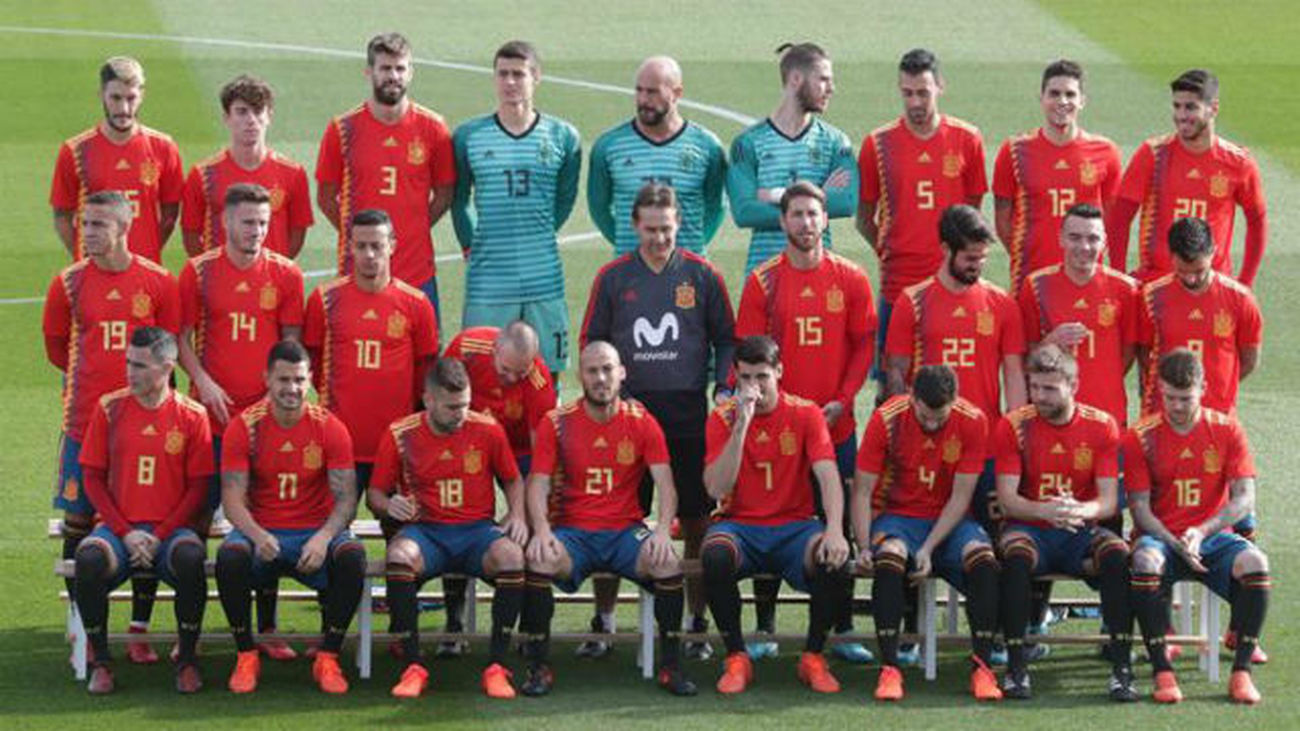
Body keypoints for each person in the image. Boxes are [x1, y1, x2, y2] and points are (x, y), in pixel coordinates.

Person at [581, 183, 736, 660]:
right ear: (634, 226)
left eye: (666, 229)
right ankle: (604, 621)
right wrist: (614, 396)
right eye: (650, 230)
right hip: (627, 418)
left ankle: (694, 621)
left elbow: (727, 338)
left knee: (695, 521)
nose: (659, 239)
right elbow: (592, 341)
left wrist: (723, 386)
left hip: (688, 418)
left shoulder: (702, 275)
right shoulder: (612, 278)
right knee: (614, 519)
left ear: (678, 224)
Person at [735, 181, 874, 662]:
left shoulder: (851, 278)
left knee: (841, 523)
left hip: (836, 426)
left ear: (825, 219)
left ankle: (843, 627)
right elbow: (749, 353)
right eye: (796, 214)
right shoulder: (764, 281)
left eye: (813, 214)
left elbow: (863, 345)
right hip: (778, 429)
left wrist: (844, 400)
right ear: (782, 221)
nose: (806, 222)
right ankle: (765, 626)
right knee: (770, 518)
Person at [42, 190, 181, 664]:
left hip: (145, 427)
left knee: (145, 521)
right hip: (83, 424)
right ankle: (82, 626)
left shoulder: (158, 282)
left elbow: (168, 351)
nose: (87, 232)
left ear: (124, 228)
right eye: (84, 223)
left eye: (98, 224)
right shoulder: (67, 284)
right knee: (78, 522)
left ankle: (139, 628)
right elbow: (57, 348)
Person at [518, 342, 696, 697]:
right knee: (538, 558)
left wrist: (663, 531)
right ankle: (538, 667)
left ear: (622, 373)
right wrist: (541, 530)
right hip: (572, 534)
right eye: (592, 371)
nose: (600, 378)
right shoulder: (557, 422)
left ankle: (671, 667)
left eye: (607, 369)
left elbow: (666, 485)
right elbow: (537, 484)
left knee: (668, 564)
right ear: (580, 376)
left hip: (624, 534)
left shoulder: (642, 421)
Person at [177, 183, 305, 655]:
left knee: (264, 520)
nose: (257, 230)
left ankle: (266, 629)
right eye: (249, 222)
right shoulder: (198, 272)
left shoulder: (286, 274)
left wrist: (276, 398)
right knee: (194, 521)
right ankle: (188, 631)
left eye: (263, 223)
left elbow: (291, 345)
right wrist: (203, 381)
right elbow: (180, 336)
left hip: (263, 424)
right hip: (209, 423)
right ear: (227, 221)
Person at [367, 358, 529, 699]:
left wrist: (516, 514)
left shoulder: (488, 429)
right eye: (452, 407)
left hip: (476, 532)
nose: (460, 414)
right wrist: (389, 505)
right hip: (426, 533)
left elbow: (513, 480)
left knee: (512, 557)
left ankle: (497, 667)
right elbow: (375, 494)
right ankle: (413, 666)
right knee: (399, 556)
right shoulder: (400, 434)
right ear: (428, 400)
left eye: (465, 404)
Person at [701, 335, 851, 694]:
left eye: (762, 376)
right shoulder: (722, 417)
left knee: (835, 559)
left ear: (779, 372)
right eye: (745, 377)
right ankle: (736, 657)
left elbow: (828, 475)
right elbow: (716, 488)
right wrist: (741, 425)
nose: (754, 386)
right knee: (715, 555)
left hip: (795, 528)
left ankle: (813, 656)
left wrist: (834, 529)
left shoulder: (806, 413)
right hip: (740, 527)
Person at [216, 340, 365, 694]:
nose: (292, 388)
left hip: (313, 532)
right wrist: (257, 535)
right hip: (263, 531)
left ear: (310, 380)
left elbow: (347, 500)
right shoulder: (244, 427)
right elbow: (232, 501)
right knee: (230, 557)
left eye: (299, 380)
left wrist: (323, 537)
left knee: (353, 557)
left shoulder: (330, 427)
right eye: (283, 379)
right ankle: (246, 655)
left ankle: (328, 656)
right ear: (266, 379)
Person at [73, 327, 213, 694]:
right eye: (128, 363)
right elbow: (92, 478)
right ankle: (102, 663)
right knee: (88, 559)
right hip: (119, 531)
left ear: (167, 368)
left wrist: (159, 534)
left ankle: (187, 661)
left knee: (191, 559)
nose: (130, 372)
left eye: (139, 365)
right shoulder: (109, 408)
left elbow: (198, 488)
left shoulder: (193, 415)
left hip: (170, 533)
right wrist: (125, 532)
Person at [1125, 349, 1269, 704]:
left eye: (1185, 398)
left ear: (1203, 389)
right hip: (1160, 538)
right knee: (1144, 562)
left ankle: (1241, 673)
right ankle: (1163, 673)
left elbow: (1244, 498)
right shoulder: (1140, 436)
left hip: (1212, 538)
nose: (1176, 406)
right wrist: (1175, 541)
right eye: (1169, 397)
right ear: (1159, 390)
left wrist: (1201, 532)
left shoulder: (1227, 429)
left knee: (1256, 563)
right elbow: (1140, 509)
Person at [992, 344, 1135, 701]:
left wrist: (1078, 511)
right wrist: (1045, 512)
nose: (1039, 396)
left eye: (1049, 388)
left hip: (1079, 534)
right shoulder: (1013, 425)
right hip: (1030, 529)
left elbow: (1109, 501)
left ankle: (1121, 670)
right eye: (1034, 387)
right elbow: (1007, 499)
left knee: (1117, 554)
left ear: (1073, 385)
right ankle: (1016, 668)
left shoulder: (1102, 426)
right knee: (1015, 557)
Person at [852, 364, 1002, 701]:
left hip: (951, 521)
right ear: (912, 397)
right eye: (924, 416)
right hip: (898, 517)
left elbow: (961, 496)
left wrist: (929, 547)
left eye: (940, 417)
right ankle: (890, 669)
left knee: (982, 559)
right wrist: (863, 547)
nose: (932, 424)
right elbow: (862, 491)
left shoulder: (973, 420)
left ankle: (983, 668)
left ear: (955, 401)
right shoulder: (886, 419)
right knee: (888, 557)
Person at [884, 204, 1027, 526]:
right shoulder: (912, 302)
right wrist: (907, 435)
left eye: (982, 258)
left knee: (994, 539)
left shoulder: (1002, 304)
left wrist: (1016, 432)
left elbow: (1014, 374)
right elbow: (897, 375)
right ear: (946, 249)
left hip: (987, 445)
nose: (977, 265)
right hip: (929, 445)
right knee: (923, 530)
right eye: (970, 258)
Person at [857, 48, 987, 388]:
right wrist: (889, 250)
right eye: (907, 93)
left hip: (952, 284)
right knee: (892, 386)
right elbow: (864, 218)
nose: (915, 102)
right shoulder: (878, 144)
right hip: (897, 283)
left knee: (954, 379)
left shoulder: (967, 139)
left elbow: (972, 213)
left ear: (940, 86)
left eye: (923, 93)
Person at [451, 41, 581, 378]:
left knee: (547, 372)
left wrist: (538, 233)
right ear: (494, 78)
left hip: (543, 275)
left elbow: (565, 199)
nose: (510, 82)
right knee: (482, 372)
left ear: (536, 77)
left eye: (519, 74)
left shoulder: (564, 137)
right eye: (503, 74)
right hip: (488, 279)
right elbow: (459, 200)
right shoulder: (468, 137)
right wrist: (470, 245)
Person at [316, 32, 456, 317]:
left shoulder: (433, 128)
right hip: (357, 273)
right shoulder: (342, 129)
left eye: (400, 68)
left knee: (425, 346)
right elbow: (325, 197)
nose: (393, 76)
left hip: (416, 271)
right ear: (369, 72)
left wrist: (415, 228)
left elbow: (445, 193)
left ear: (411, 72)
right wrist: (359, 237)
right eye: (385, 68)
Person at [1110, 69, 1267, 285]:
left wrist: (1245, 282)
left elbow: (1257, 221)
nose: (1181, 115)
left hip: (1211, 284)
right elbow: (1119, 217)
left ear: (1213, 109)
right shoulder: (1152, 154)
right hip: (1157, 281)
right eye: (1177, 106)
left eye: (1191, 107)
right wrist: (1118, 278)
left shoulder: (1238, 162)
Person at [992, 60, 1122, 292]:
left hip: (1086, 278)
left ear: (1082, 101)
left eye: (1070, 94)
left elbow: (1112, 220)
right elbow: (1003, 220)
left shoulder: (1106, 152)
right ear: (1042, 98)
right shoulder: (1014, 151)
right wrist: (1024, 255)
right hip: (1030, 279)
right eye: (1054, 94)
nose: (1062, 101)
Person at [728, 42, 857, 274]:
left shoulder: (836, 142)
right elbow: (744, 212)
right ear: (796, 79)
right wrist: (818, 198)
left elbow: (846, 203)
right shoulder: (747, 143)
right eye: (823, 79)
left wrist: (774, 195)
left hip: (819, 278)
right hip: (765, 279)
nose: (831, 89)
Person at [587, 56, 726, 257]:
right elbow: (599, 209)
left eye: (652, 92)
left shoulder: (707, 146)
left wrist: (690, 248)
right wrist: (629, 246)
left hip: (688, 270)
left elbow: (716, 208)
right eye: (639, 90)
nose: (643, 100)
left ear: (677, 93)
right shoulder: (608, 146)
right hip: (631, 270)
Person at [50, 56, 183, 263]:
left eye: (131, 98)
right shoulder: (74, 151)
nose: (124, 109)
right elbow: (62, 217)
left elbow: (170, 215)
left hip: (145, 270)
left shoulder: (164, 147)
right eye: (116, 98)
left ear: (142, 96)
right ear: (101, 95)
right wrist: (85, 258)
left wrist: (147, 253)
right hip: (94, 270)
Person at [1019, 204, 1139, 429]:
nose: (1084, 247)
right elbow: (1024, 354)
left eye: (1093, 239)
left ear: (1104, 242)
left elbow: (1129, 353)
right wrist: (1050, 343)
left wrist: (1103, 378)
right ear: (1061, 239)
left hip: (1108, 414)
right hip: (1053, 414)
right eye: (1075, 237)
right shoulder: (1035, 286)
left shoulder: (1126, 289)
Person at [1136, 217, 1262, 419]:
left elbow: (1249, 359)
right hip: (1162, 415)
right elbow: (1143, 353)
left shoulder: (1241, 300)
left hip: (1218, 415)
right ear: (1171, 256)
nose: (1191, 278)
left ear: (1213, 252)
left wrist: (1219, 390)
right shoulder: (1151, 296)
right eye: (1182, 271)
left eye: (1199, 271)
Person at [181, 75, 313, 258]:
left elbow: (297, 233)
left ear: (269, 116)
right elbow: (191, 234)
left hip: (271, 276)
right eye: (242, 112)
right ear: (227, 118)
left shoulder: (293, 173)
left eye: (258, 111)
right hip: (220, 275)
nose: (251, 120)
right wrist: (214, 269)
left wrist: (276, 269)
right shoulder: (202, 174)